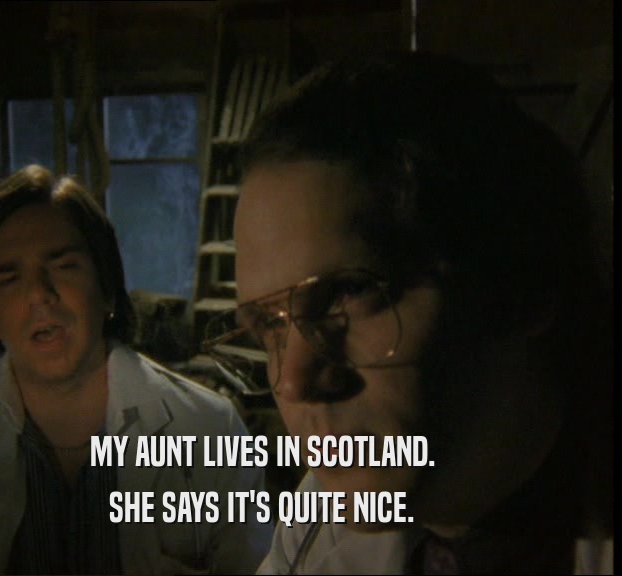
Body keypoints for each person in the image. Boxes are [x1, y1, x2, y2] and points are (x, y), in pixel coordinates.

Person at [203, 54, 613, 574]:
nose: (292, 381)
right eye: (270, 325)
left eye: (349, 292)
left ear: (526, 285)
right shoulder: (318, 524)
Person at [0, 164, 272, 575]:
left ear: (107, 291)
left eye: (64, 266)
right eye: (9, 279)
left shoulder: (210, 428)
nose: (39, 294)